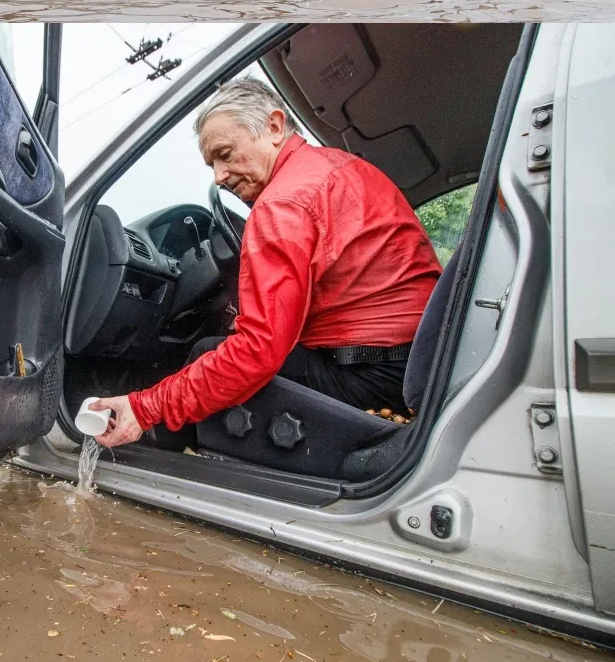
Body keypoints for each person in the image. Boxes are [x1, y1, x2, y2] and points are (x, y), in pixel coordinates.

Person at [88, 79, 443, 450]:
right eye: (212, 164)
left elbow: (258, 351)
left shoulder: (282, 204)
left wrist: (144, 408)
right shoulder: (339, 167)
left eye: (225, 154)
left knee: (206, 352)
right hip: (413, 363)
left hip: (373, 376)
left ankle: (167, 478)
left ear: (274, 127)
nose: (219, 176)